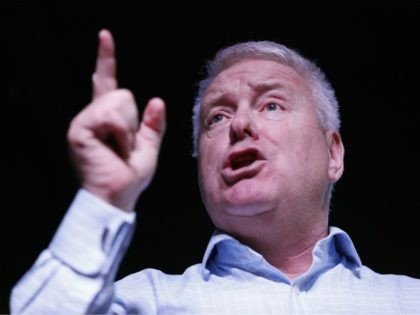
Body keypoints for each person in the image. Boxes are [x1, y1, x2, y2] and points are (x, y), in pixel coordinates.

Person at [10, 29, 420, 314]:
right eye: (217, 117)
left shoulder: (409, 301)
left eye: (271, 105)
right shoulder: (142, 302)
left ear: (334, 154)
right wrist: (102, 198)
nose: (240, 125)